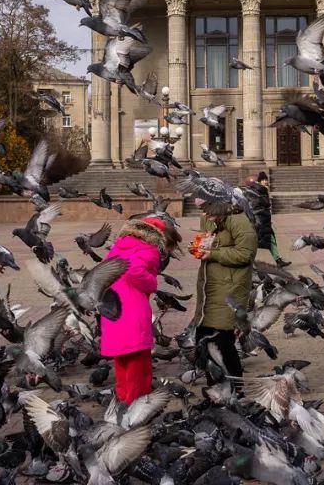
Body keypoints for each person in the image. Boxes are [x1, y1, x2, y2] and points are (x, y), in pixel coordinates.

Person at [99, 216, 178, 404]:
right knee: (139, 362)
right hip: (132, 309)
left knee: (122, 358)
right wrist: (151, 283)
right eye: (168, 247)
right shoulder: (148, 249)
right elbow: (135, 270)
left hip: (113, 307)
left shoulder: (120, 246)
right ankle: (137, 403)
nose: (166, 252)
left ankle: (123, 397)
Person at [192, 209, 258, 383]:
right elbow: (209, 243)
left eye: (207, 207)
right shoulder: (208, 217)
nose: (205, 213)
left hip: (230, 288)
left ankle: (234, 392)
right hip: (209, 287)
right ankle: (216, 391)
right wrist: (199, 247)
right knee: (205, 340)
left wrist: (214, 254)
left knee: (221, 341)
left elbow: (246, 254)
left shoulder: (238, 220)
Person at [247, 172, 289, 267]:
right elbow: (255, 206)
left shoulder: (262, 190)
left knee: (271, 240)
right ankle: (248, 262)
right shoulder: (257, 191)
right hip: (260, 222)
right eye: (264, 180)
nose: (266, 181)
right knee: (256, 243)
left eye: (266, 180)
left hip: (265, 221)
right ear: (259, 181)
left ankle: (278, 261)